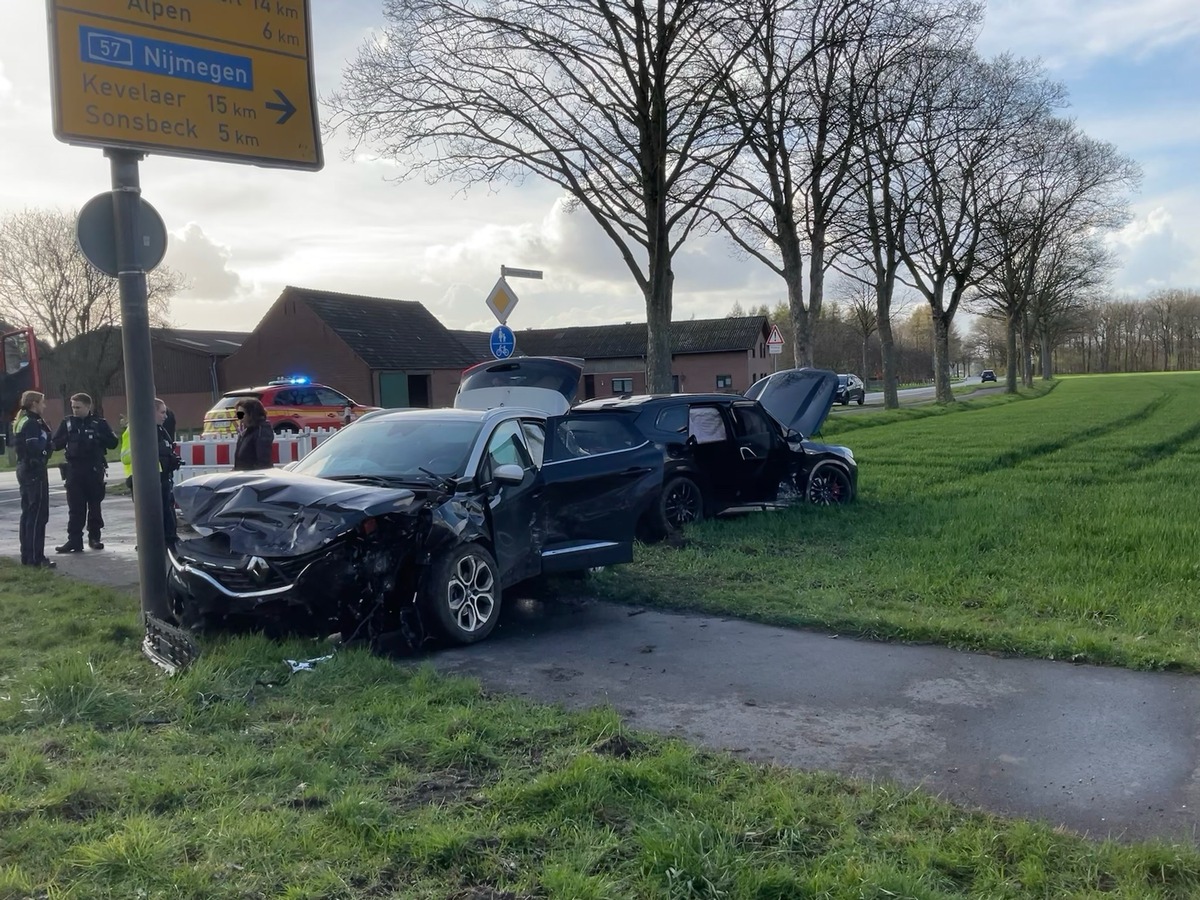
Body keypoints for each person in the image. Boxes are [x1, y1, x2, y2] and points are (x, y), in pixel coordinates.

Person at [52, 393, 118, 552]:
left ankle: (94, 537)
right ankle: (74, 540)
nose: (75, 410)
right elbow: (55, 443)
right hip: (74, 469)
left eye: (78, 407)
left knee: (94, 505)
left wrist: (98, 436)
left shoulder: (99, 423)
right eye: (73, 407)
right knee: (75, 507)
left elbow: (113, 443)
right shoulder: (67, 423)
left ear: (88, 407)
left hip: (93, 469)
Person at [12, 391, 55, 568]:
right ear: (34, 404)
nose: (44, 406)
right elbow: (35, 447)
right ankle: (36, 558)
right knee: (37, 515)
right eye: (42, 403)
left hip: (25, 469)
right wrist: (46, 445)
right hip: (34, 470)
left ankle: (27, 555)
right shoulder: (31, 423)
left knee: (28, 513)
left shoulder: (22, 420)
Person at [155, 398, 182, 547]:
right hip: (154, 478)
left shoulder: (161, 429)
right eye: (162, 412)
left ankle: (170, 538)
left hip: (164, 475)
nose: (165, 416)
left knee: (167, 508)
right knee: (157, 510)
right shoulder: (146, 430)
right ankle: (161, 539)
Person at [233, 397, 274, 470]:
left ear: (251, 415)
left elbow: (263, 462)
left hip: (254, 478)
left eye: (241, 414)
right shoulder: (246, 432)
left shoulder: (261, 431)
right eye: (238, 414)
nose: (239, 418)